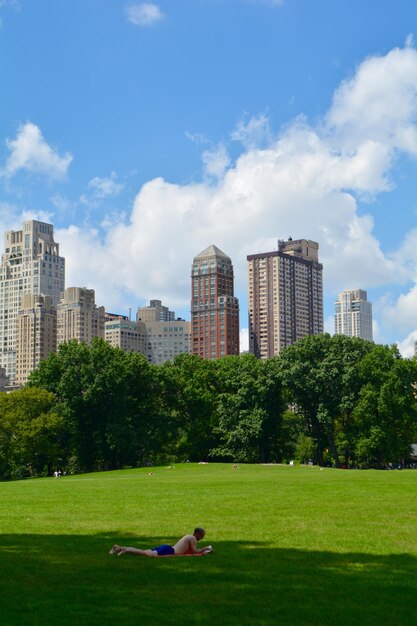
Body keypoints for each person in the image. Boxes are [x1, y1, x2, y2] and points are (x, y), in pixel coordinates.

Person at [109, 527, 212, 557]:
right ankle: (125, 549)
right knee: (145, 553)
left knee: (143, 551)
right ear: (197, 534)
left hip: (166, 548)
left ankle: (118, 547)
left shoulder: (188, 536)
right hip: (168, 550)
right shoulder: (192, 538)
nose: (201, 538)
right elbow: (194, 552)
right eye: (201, 536)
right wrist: (205, 549)